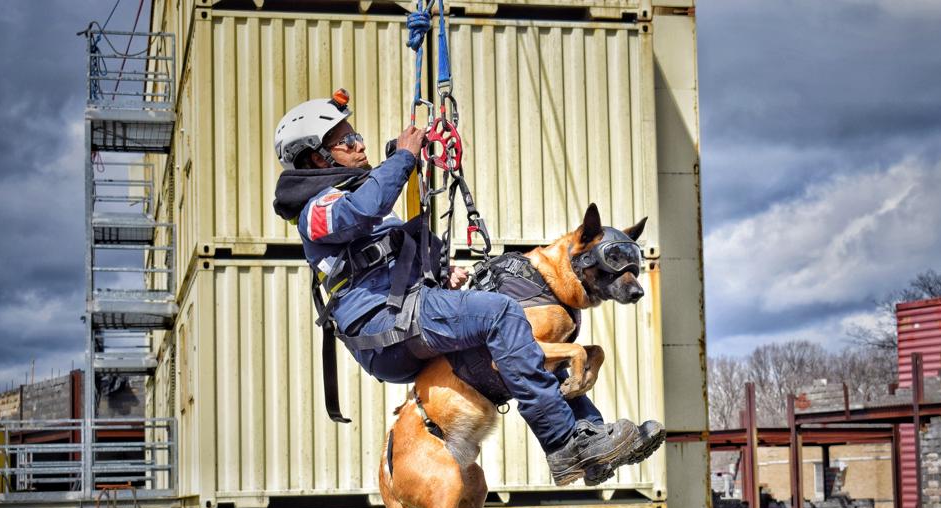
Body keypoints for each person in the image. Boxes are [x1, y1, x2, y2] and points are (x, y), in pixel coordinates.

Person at [272, 90, 661, 485]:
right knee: (502, 313)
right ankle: (563, 443)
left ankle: (590, 438)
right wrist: (403, 157)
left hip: (402, 313)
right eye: (348, 140)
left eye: (356, 136)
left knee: (524, 344)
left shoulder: (353, 201)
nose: (360, 144)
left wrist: (444, 274)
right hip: (382, 325)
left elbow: (387, 256)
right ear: (317, 157)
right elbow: (362, 210)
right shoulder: (316, 209)